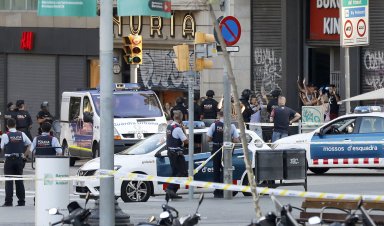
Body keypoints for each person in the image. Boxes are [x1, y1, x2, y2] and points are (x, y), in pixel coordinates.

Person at [207, 110, 240, 198]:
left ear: (219, 115)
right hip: (227, 150)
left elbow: (208, 139)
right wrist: (229, 139)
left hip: (216, 149)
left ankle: (217, 191)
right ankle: (225, 189)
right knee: (226, 169)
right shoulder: (231, 126)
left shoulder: (214, 125)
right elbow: (237, 140)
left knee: (216, 170)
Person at [1, 118, 32, 207]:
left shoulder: (5, 135)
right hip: (19, 159)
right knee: (19, 181)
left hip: (9, 160)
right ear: (15, 125)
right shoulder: (22, 134)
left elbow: (1, 147)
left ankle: (8, 202)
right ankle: (21, 201)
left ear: (7, 126)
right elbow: (30, 144)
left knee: (9, 181)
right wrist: (25, 155)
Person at [165, 110, 188, 199]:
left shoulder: (169, 126)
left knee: (175, 172)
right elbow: (186, 141)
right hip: (177, 154)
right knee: (182, 172)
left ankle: (172, 193)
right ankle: (170, 188)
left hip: (170, 152)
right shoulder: (178, 128)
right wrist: (184, 130)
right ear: (181, 117)